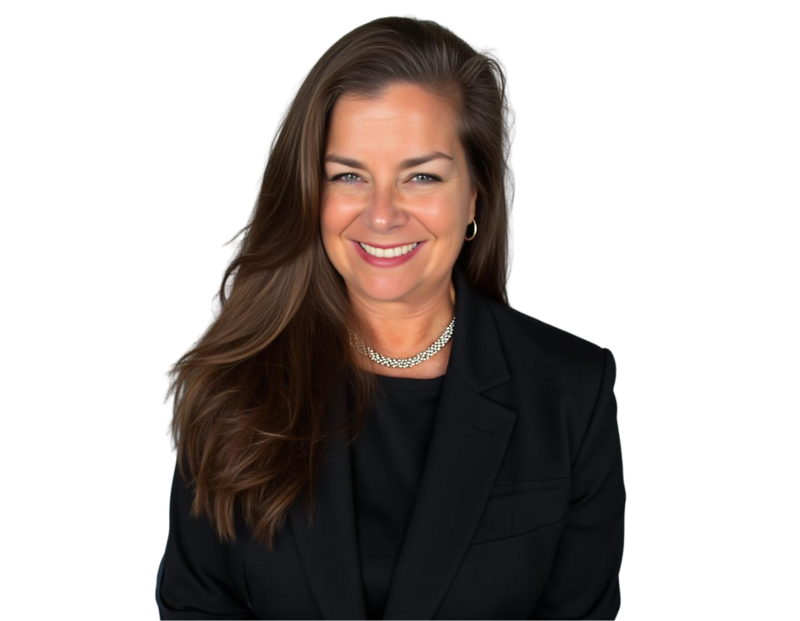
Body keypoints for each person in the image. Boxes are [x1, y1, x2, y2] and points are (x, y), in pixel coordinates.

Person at [155, 14, 624, 621]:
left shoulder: (572, 390)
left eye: (421, 176)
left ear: (475, 194)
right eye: (349, 176)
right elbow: (195, 610)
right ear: (312, 193)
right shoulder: (233, 386)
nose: (381, 215)